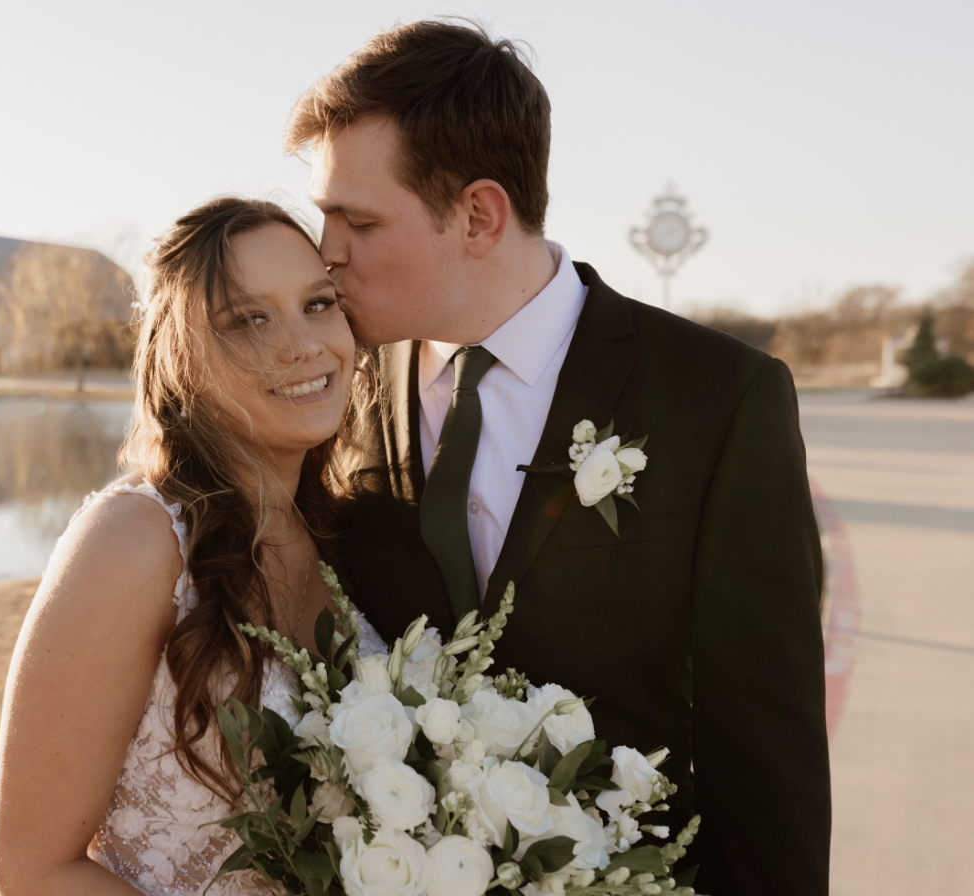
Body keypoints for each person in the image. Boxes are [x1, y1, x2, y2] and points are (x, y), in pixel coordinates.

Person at [285, 20, 831, 896]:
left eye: (357, 219)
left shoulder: (720, 398)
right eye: (323, 217)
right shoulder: (332, 385)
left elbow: (767, 756)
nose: (327, 252)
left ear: (478, 215)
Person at [0, 197, 385, 896]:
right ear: (183, 358)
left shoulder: (348, 537)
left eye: (318, 303)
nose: (303, 344)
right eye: (249, 319)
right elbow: (34, 870)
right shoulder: (135, 541)